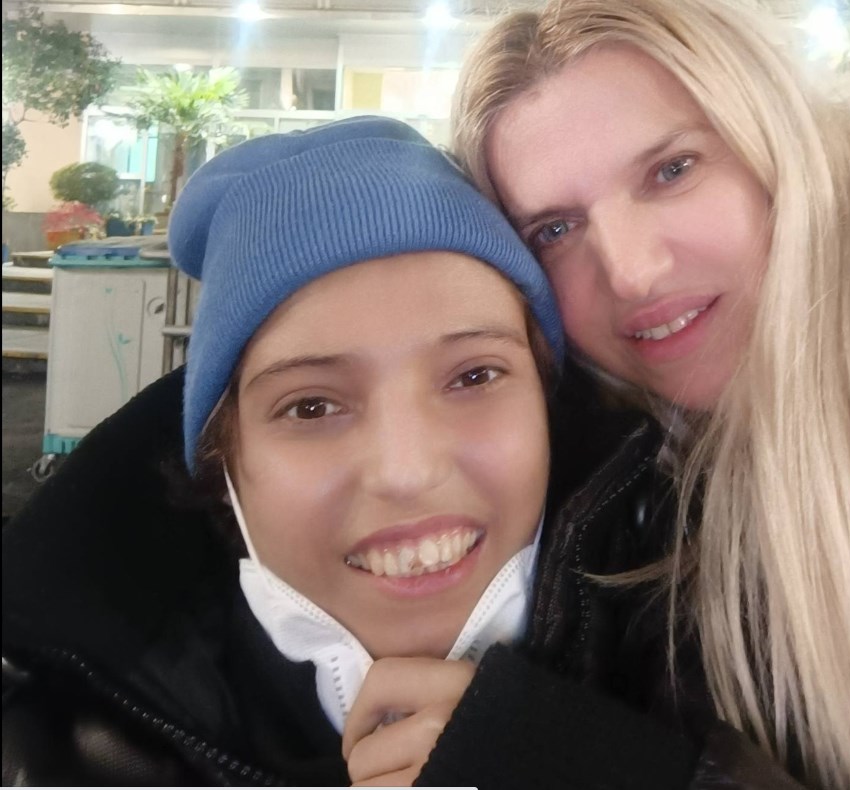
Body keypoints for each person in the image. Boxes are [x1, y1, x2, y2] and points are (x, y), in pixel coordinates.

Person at [1, 117, 804, 788]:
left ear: (548, 405)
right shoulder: (54, 738)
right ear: (223, 462)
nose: (408, 471)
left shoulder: (739, 636)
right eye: (311, 405)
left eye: (474, 376)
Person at [450, 1, 850, 788]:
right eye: (555, 230)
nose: (631, 272)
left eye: (671, 170)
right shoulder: (652, 464)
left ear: (772, 142)